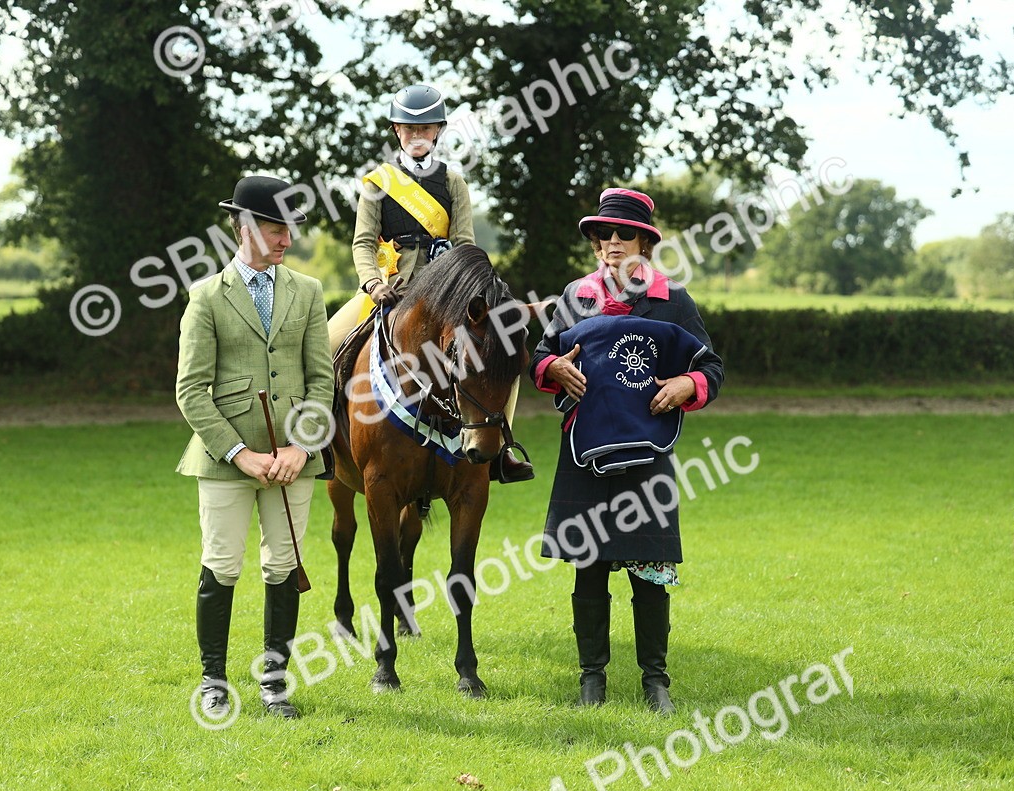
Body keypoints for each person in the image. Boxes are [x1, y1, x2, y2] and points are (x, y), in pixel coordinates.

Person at [530, 188, 724, 713]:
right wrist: (553, 369)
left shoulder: (673, 300)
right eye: (604, 235)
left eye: (624, 234)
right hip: (585, 452)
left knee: (650, 571)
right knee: (588, 568)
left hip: (648, 451)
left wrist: (687, 386)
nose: (613, 243)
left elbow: (711, 367)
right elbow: (540, 356)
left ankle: (655, 683)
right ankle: (592, 680)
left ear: (645, 242)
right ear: (595, 244)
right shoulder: (575, 296)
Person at [176, 175, 334, 720]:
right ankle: (214, 680)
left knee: (284, 564)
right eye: (273, 227)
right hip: (226, 460)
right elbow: (190, 389)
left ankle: (274, 682)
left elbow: (322, 381)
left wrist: (298, 449)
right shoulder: (205, 297)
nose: (285, 238)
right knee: (221, 564)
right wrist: (239, 454)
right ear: (241, 227)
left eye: (290, 228)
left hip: (294, 459)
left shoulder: (309, 292)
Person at [327, 83, 533, 483]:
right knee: (327, 343)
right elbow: (363, 242)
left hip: (446, 300)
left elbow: (466, 245)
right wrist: (372, 283)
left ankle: (502, 450)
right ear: (396, 131)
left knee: (499, 350)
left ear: (438, 131)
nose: (417, 136)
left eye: (426, 129)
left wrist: (467, 291)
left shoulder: (454, 183)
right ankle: (316, 445)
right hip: (388, 289)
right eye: (409, 129)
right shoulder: (377, 183)